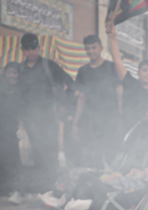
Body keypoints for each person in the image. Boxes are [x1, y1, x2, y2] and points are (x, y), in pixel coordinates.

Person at [17, 32, 74, 193]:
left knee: (50, 151)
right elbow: (20, 95)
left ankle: (54, 188)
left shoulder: (48, 65)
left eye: (33, 48)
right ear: (22, 50)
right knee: (36, 153)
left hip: (49, 118)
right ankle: (42, 190)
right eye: (27, 49)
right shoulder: (21, 69)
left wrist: (65, 105)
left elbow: (68, 82)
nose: (30, 52)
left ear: (39, 47)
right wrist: (21, 118)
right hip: (30, 120)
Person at [106, 23, 148, 135]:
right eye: (144, 70)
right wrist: (112, 37)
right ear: (138, 73)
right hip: (128, 135)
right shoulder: (131, 84)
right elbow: (118, 61)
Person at [72, 34, 122, 167]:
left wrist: (121, 117)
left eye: (94, 48)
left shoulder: (111, 67)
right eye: (87, 48)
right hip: (90, 122)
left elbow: (119, 93)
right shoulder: (83, 71)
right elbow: (81, 97)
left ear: (101, 48)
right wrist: (75, 123)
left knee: (111, 157)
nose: (91, 51)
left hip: (110, 120)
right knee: (91, 158)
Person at [0, 63, 22, 200]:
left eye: (14, 72)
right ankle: (3, 188)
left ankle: (15, 188)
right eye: (9, 73)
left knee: (13, 159)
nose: (12, 75)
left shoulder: (22, 89)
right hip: (2, 127)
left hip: (15, 129)